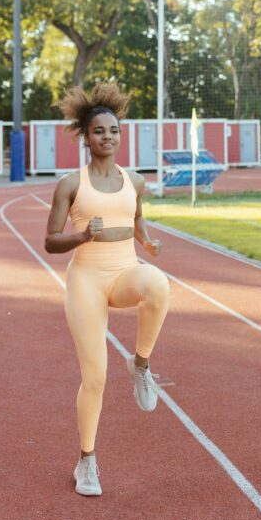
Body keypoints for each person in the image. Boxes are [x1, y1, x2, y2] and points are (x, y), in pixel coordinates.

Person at [44, 82, 170, 497]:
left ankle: (142, 363)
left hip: (123, 272)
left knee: (158, 283)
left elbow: (136, 218)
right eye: (99, 131)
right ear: (86, 136)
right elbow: (50, 241)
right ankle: (87, 460)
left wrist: (145, 240)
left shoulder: (135, 180)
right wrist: (82, 236)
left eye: (114, 131)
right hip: (86, 281)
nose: (108, 137)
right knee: (94, 378)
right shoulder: (70, 184)